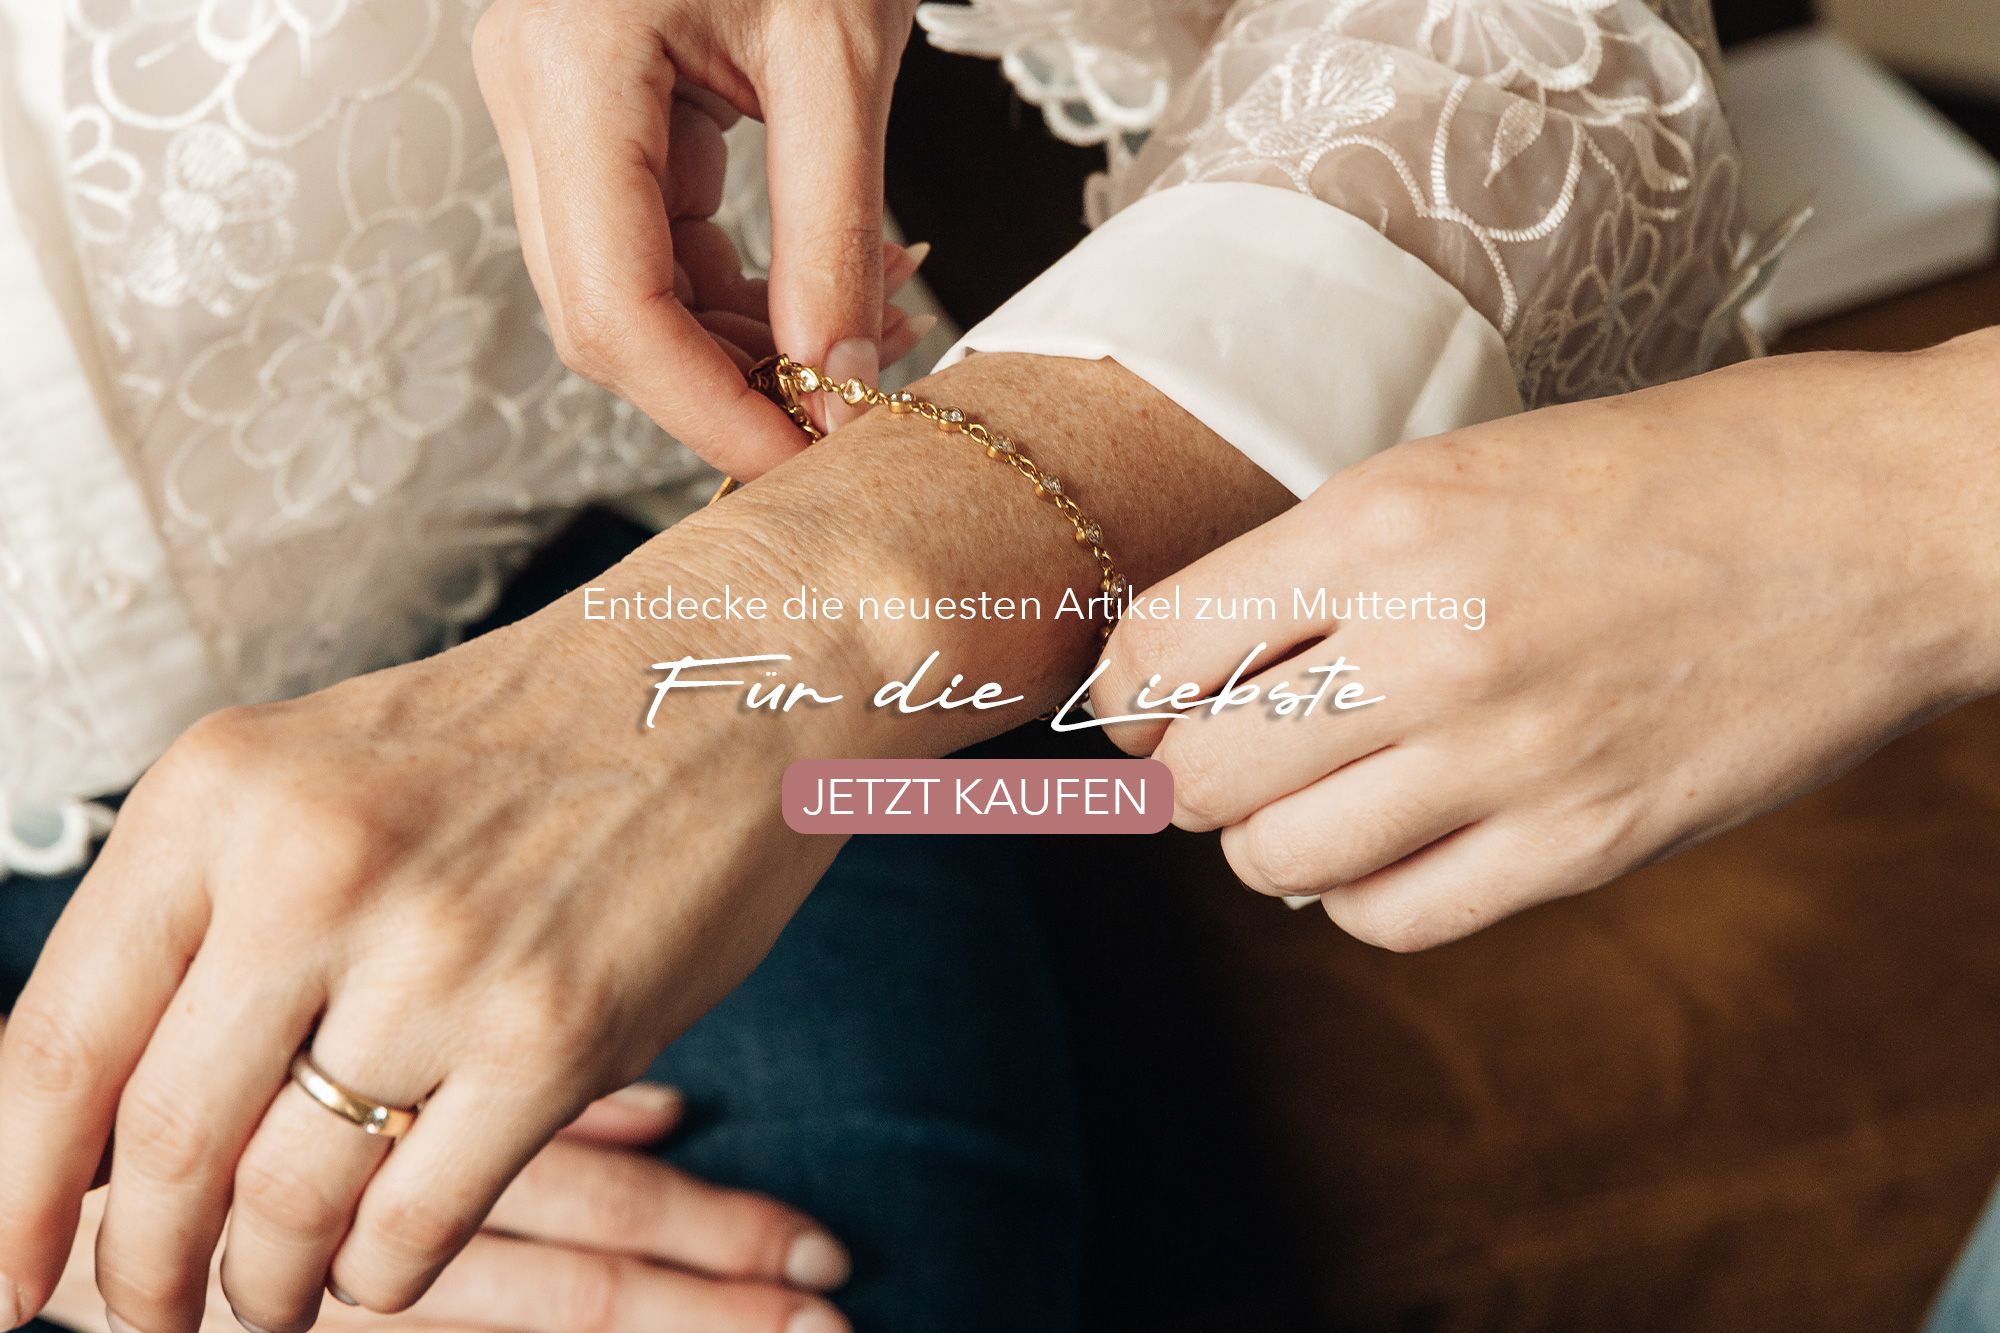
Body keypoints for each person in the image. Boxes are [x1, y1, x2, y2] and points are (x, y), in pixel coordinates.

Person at [0, 2, 1759, 1331]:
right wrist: (55, 1209)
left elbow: (1538, 53)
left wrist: (791, 609)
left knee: (845, 1271)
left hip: (621, 538)